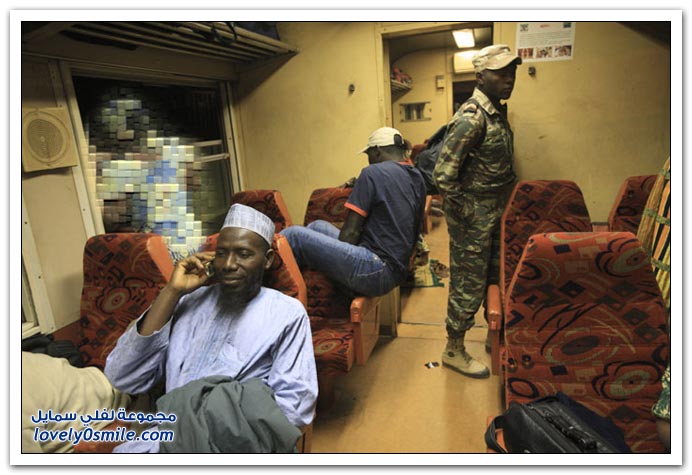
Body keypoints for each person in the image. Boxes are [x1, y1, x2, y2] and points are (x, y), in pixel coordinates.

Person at [104, 203, 318, 453]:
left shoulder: (286, 313)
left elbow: (294, 406)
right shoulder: (188, 301)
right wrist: (172, 291)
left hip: (238, 444)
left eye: (243, 254)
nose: (228, 264)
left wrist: (214, 428)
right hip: (167, 440)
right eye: (221, 253)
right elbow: (123, 377)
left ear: (267, 259)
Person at [433, 44, 522, 379]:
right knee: (468, 283)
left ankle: (492, 335)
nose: (509, 79)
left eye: (512, 72)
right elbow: (443, 174)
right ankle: (453, 348)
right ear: (480, 76)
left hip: (496, 211)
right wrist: (468, 212)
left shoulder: (496, 112)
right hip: (474, 217)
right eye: (501, 73)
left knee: (494, 275)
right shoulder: (471, 117)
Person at [281, 127, 427, 298]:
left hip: (376, 270)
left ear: (377, 151)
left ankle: (267, 288)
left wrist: (338, 257)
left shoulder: (372, 173)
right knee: (317, 226)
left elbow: (351, 233)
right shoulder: (416, 177)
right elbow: (416, 227)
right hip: (397, 271)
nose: (369, 161)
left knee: (294, 236)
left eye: (369, 155)